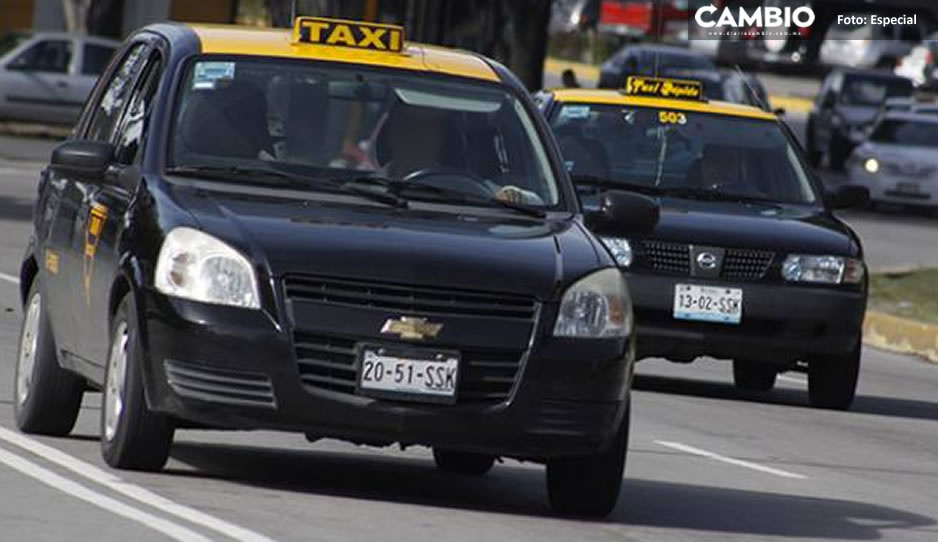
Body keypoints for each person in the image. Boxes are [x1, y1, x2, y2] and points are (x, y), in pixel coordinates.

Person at [379, 102, 542, 204]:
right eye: (407, 126)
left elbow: (538, 205)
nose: (416, 137)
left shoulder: (470, 190)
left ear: (445, 140)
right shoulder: (367, 190)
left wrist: (514, 196)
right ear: (390, 134)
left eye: (428, 129)